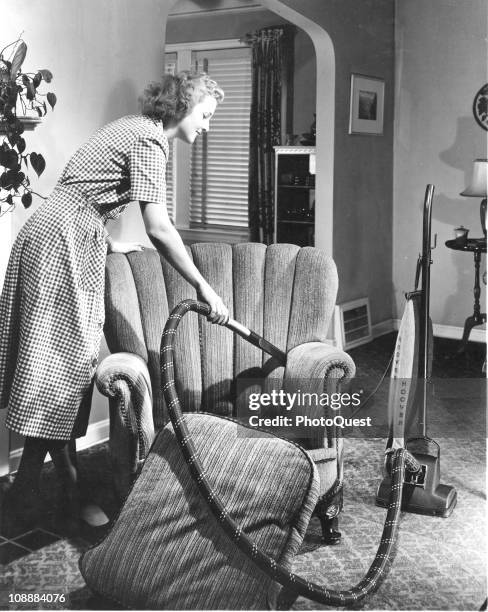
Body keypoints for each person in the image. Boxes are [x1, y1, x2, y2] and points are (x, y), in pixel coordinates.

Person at [0, 71, 229, 530]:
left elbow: (85, 192)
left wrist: (106, 241)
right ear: (181, 107)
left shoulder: (133, 127)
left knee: (58, 364)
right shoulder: (151, 141)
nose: (205, 126)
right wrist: (203, 286)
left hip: (59, 235)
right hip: (61, 243)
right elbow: (159, 228)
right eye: (203, 116)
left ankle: (62, 480)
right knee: (62, 364)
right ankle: (32, 489)